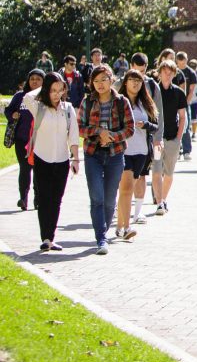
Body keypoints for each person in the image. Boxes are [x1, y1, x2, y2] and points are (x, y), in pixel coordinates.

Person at [22, 72, 80, 251]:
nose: (57, 94)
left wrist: (75, 159)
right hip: (42, 159)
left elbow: (73, 136)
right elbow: (27, 96)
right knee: (44, 199)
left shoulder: (68, 109)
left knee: (56, 200)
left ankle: (51, 237)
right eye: (53, 90)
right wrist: (46, 85)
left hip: (62, 161)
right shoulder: (38, 107)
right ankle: (45, 238)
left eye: (60, 90)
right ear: (46, 90)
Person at [78, 64, 131, 254]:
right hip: (93, 154)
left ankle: (104, 232)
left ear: (111, 79)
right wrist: (98, 132)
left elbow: (130, 129)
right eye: (96, 81)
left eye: (103, 80)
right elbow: (80, 128)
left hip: (115, 155)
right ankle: (101, 238)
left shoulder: (121, 102)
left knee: (109, 201)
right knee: (97, 198)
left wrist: (112, 136)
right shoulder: (87, 102)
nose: (100, 84)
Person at [114, 69, 159, 242]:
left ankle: (119, 226)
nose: (135, 83)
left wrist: (145, 124)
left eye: (139, 81)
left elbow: (155, 126)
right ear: (125, 82)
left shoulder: (145, 103)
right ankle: (127, 227)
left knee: (127, 190)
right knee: (126, 188)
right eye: (132, 80)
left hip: (141, 152)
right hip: (123, 150)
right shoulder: (119, 102)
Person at [5, 69, 44, 210]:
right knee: (25, 168)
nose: (34, 81)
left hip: (40, 140)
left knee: (38, 170)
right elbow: (8, 110)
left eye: (38, 79)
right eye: (32, 79)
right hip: (22, 139)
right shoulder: (20, 96)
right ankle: (23, 198)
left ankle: (38, 199)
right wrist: (12, 115)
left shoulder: (45, 96)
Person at [151, 59, 187, 215]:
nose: (167, 75)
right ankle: (159, 202)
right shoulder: (153, 91)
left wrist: (178, 138)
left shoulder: (178, 93)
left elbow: (182, 117)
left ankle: (164, 199)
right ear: (159, 73)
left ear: (174, 74)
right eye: (164, 72)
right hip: (157, 139)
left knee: (169, 173)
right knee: (156, 170)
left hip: (172, 138)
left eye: (170, 72)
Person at [176, 52, 197, 160]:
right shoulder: (174, 71)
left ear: (186, 60)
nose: (181, 65)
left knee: (185, 126)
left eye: (183, 63)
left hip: (184, 103)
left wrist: (185, 103)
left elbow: (191, 90)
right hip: (174, 102)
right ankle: (177, 150)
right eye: (179, 63)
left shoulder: (191, 73)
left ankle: (186, 151)